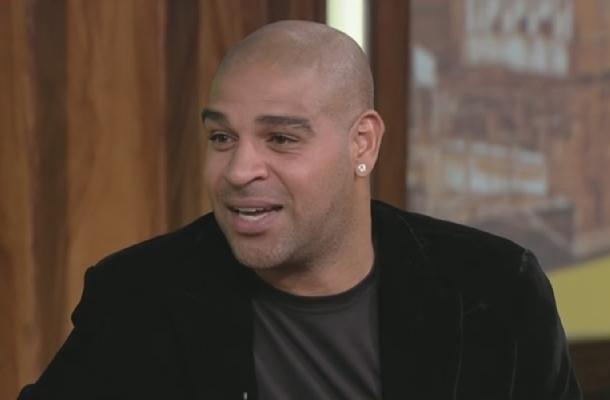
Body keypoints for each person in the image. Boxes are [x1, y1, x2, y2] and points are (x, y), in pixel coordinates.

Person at [20, 20, 581, 400]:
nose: (239, 170)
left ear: (362, 143)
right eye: (221, 138)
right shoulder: (138, 299)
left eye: (281, 139)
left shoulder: (497, 291)